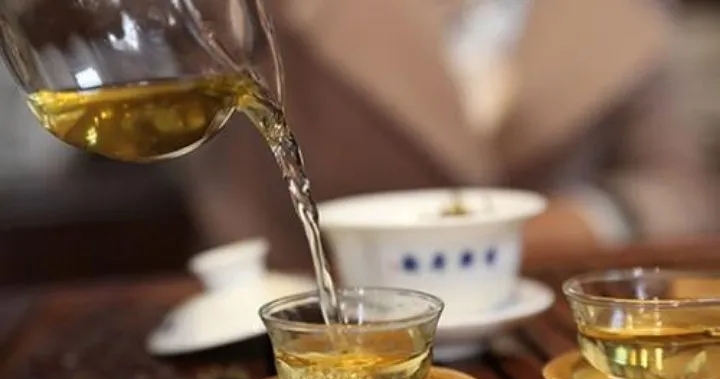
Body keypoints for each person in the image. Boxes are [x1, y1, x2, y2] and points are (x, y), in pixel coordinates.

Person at [175, 0, 719, 272]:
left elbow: (681, 184)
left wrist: (579, 221)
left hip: (542, 325)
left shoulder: (627, 19)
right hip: (309, 316)